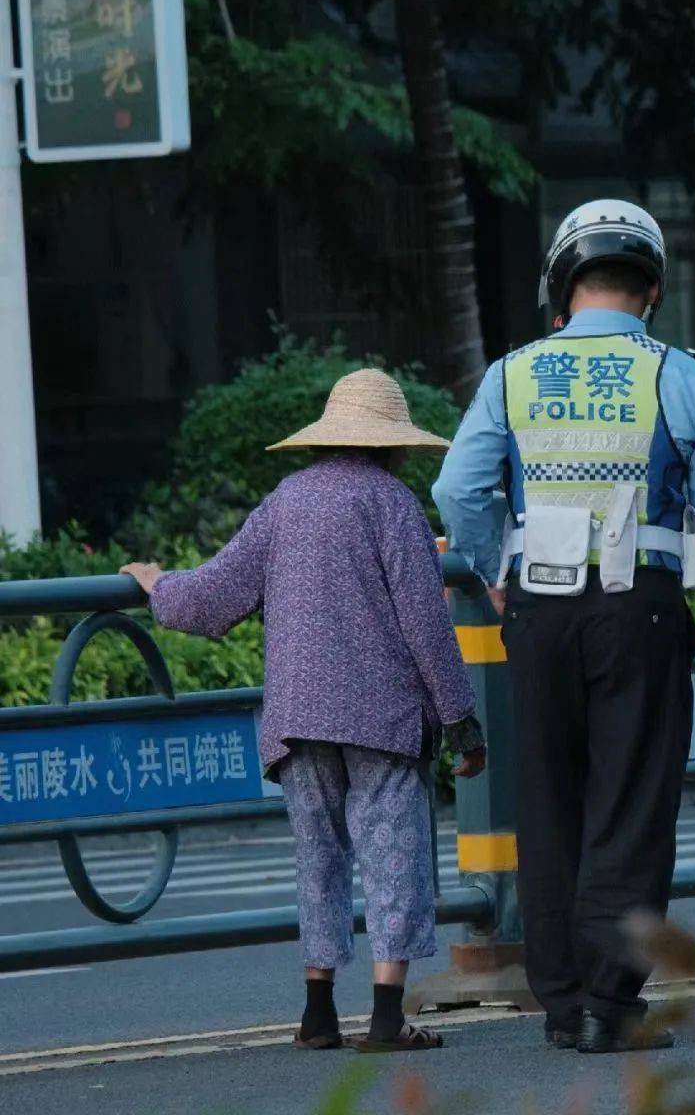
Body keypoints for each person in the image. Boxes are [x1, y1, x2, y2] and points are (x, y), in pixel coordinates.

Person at [432, 200, 695, 1054]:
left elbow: (458, 492)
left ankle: (562, 1003)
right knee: (632, 807)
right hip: (641, 610)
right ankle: (611, 1007)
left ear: (564, 285)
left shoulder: (511, 374)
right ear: (651, 287)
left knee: (548, 804)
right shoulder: (681, 377)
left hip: (537, 616)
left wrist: (496, 570)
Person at [121, 369, 486, 1053]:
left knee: (318, 858)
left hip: (298, 713)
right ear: (393, 446)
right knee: (391, 854)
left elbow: (213, 599)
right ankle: (385, 1018)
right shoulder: (393, 505)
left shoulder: (285, 502)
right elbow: (424, 627)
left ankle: (317, 1012)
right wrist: (462, 718)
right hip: (381, 714)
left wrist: (156, 584)